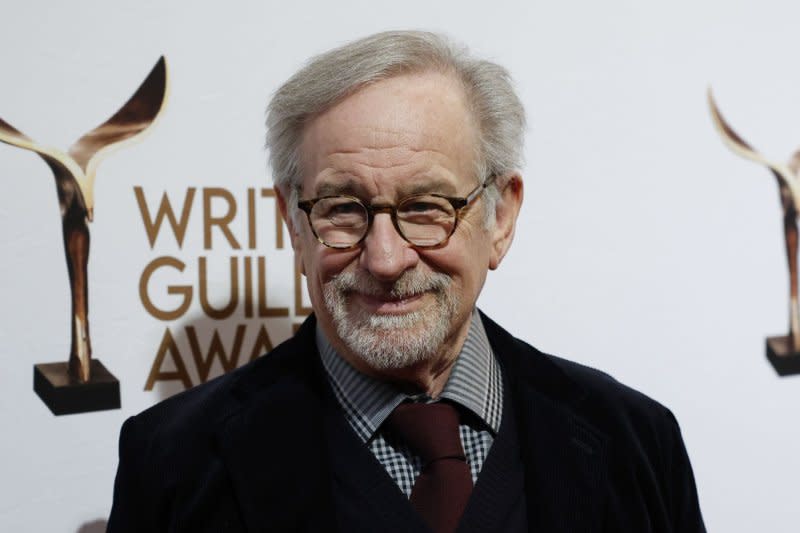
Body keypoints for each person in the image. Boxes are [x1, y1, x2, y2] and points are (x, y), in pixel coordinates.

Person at [107, 31, 705, 532]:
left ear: (501, 217)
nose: (386, 258)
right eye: (342, 208)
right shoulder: (173, 465)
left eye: (425, 206)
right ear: (293, 220)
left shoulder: (635, 443)